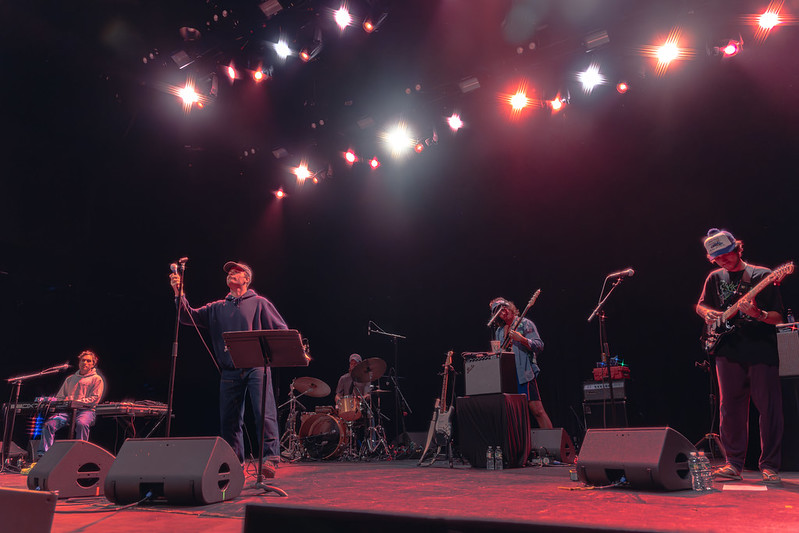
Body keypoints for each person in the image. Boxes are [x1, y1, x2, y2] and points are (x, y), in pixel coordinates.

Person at [170, 261, 288, 478]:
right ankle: (235, 462)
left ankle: (270, 458)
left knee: (264, 412)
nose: (232, 273)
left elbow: (282, 331)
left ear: (247, 279)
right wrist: (179, 292)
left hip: (256, 367)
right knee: (230, 420)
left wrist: (268, 352)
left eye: (237, 271)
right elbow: (189, 317)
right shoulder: (217, 308)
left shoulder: (260, 303)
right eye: (229, 272)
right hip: (230, 370)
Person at [696, 228, 784, 483]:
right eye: (717, 258)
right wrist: (706, 314)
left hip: (761, 350)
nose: (722, 260)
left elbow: (778, 316)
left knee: (769, 408)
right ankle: (733, 464)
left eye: (726, 254)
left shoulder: (762, 275)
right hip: (727, 349)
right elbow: (702, 305)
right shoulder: (714, 278)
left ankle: (770, 465)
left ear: (737, 249)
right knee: (730, 409)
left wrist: (758, 314)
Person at [489, 297, 552, 429]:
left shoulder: (525, 323)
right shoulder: (499, 332)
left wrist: (522, 339)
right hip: (507, 378)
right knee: (514, 416)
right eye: (498, 311)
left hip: (523, 373)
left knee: (537, 411)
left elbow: (539, 345)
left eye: (503, 307)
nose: (503, 311)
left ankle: (553, 446)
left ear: (510, 307)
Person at [40, 350, 105, 454]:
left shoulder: (97, 379)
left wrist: (75, 401)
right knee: (49, 425)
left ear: (93, 364)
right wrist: (61, 401)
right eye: (83, 360)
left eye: (89, 361)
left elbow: (94, 399)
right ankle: (43, 454)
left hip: (86, 411)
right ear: (79, 362)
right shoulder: (70, 379)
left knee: (81, 424)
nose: (85, 363)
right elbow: (60, 397)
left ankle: (80, 454)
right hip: (67, 412)